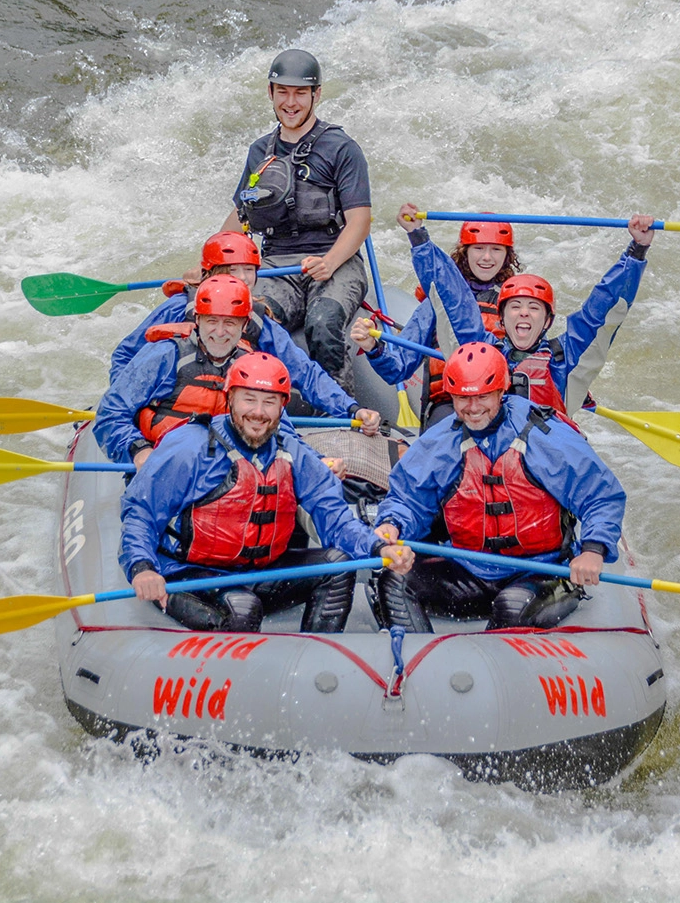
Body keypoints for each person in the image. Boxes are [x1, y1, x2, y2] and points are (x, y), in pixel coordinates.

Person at [121, 353, 414, 632]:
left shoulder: (293, 452)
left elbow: (336, 520)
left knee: (338, 566)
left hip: (262, 570)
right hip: (193, 573)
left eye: (269, 403)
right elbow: (140, 513)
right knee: (243, 608)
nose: (258, 413)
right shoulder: (189, 447)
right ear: (230, 399)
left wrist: (378, 548)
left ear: (282, 406)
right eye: (249, 400)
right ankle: (178, 607)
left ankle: (313, 657)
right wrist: (142, 567)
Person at [371, 343, 626, 632]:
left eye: (483, 396)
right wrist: (392, 524)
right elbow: (407, 499)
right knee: (393, 580)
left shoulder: (542, 435)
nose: (473, 408)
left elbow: (601, 496)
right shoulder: (442, 441)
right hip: (471, 570)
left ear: (501, 391)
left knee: (512, 605)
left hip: (541, 572)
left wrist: (593, 549)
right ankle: (418, 666)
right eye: (463, 399)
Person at [352, 204, 654, 426]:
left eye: (495, 249)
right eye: (479, 248)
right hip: (455, 401)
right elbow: (448, 300)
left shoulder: (517, 305)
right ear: (464, 252)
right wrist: (375, 348)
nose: (486, 257)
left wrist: (637, 250)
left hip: (514, 406)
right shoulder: (444, 307)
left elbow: (589, 322)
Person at [108, 230, 381, 436]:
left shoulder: (258, 322)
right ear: (209, 273)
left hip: (233, 425)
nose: (241, 278)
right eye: (231, 270)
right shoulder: (178, 308)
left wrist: (350, 409)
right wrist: (129, 414)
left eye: (248, 270)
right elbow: (125, 356)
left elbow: (304, 372)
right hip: (174, 422)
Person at [221, 49, 372, 394]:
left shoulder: (342, 148)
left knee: (323, 322)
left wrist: (329, 262)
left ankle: (338, 408)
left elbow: (360, 222)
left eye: (300, 92)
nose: (291, 102)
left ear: (316, 95)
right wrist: (209, 264)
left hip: (336, 263)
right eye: (283, 92)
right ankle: (254, 406)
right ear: (270, 93)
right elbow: (240, 216)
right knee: (249, 319)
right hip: (277, 266)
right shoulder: (260, 152)